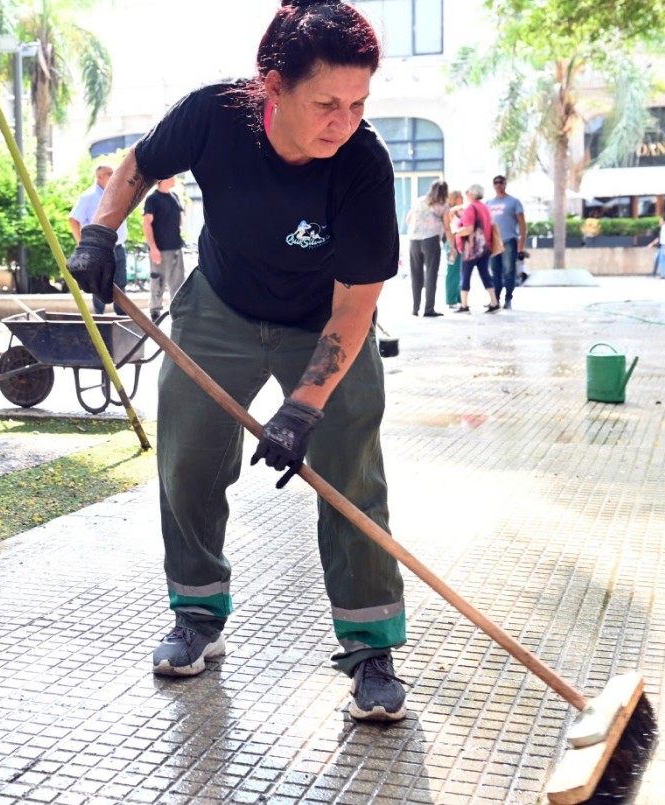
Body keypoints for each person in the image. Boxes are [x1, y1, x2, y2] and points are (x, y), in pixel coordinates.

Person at [66, 0, 409, 723]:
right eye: (326, 103)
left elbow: (354, 309)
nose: (342, 122)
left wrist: (305, 404)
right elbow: (139, 165)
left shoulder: (365, 167)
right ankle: (196, 615)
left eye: (357, 104)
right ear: (273, 86)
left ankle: (371, 650)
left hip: (322, 322)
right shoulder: (214, 114)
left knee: (350, 468)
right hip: (219, 305)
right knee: (187, 457)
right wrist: (101, 233)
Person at [69, 164, 129, 313]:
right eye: (110, 173)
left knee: (121, 283)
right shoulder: (88, 196)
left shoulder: (116, 192)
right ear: (100, 177)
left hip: (118, 246)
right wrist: (82, 243)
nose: (114, 175)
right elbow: (73, 219)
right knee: (99, 283)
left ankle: (121, 318)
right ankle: (99, 317)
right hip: (99, 248)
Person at [141, 176, 187, 318]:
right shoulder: (153, 199)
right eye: (171, 176)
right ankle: (155, 311)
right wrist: (153, 248)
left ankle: (177, 310)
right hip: (160, 249)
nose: (174, 178)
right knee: (158, 281)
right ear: (162, 180)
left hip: (176, 246)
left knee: (178, 281)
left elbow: (180, 217)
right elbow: (147, 223)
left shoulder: (174, 196)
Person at [404, 180, 448, 317]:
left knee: (416, 275)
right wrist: (452, 245)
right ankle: (429, 309)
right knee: (431, 274)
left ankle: (415, 309)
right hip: (431, 240)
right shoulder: (442, 205)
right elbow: (447, 227)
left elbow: (408, 220)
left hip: (414, 240)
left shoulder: (419, 201)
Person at [454, 184, 500, 314]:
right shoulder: (485, 207)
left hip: (472, 247)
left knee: (465, 275)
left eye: (467, 192)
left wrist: (454, 233)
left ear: (472, 194)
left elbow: (468, 228)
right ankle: (494, 302)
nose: (466, 194)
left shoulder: (471, 208)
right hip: (485, 246)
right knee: (485, 273)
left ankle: (464, 305)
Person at [486, 175, 526, 308]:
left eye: (501, 182)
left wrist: (521, 242)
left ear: (505, 184)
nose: (498, 185)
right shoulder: (489, 203)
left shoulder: (514, 202)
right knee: (495, 271)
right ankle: (495, 299)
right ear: (493, 185)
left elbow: (522, 223)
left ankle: (508, 298)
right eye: (495, 182)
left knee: (509, 270)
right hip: (493, 242)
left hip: (509, 240)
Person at [442, 189, 464, 309]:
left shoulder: (460, 212)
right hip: (452, 243)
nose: (462, 199)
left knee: (459, 272)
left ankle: (459, 298)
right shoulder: (450, 212)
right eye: (460, 196)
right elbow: (448, 227)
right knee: (452, 272)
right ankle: (451, 299)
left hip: (460, 243)